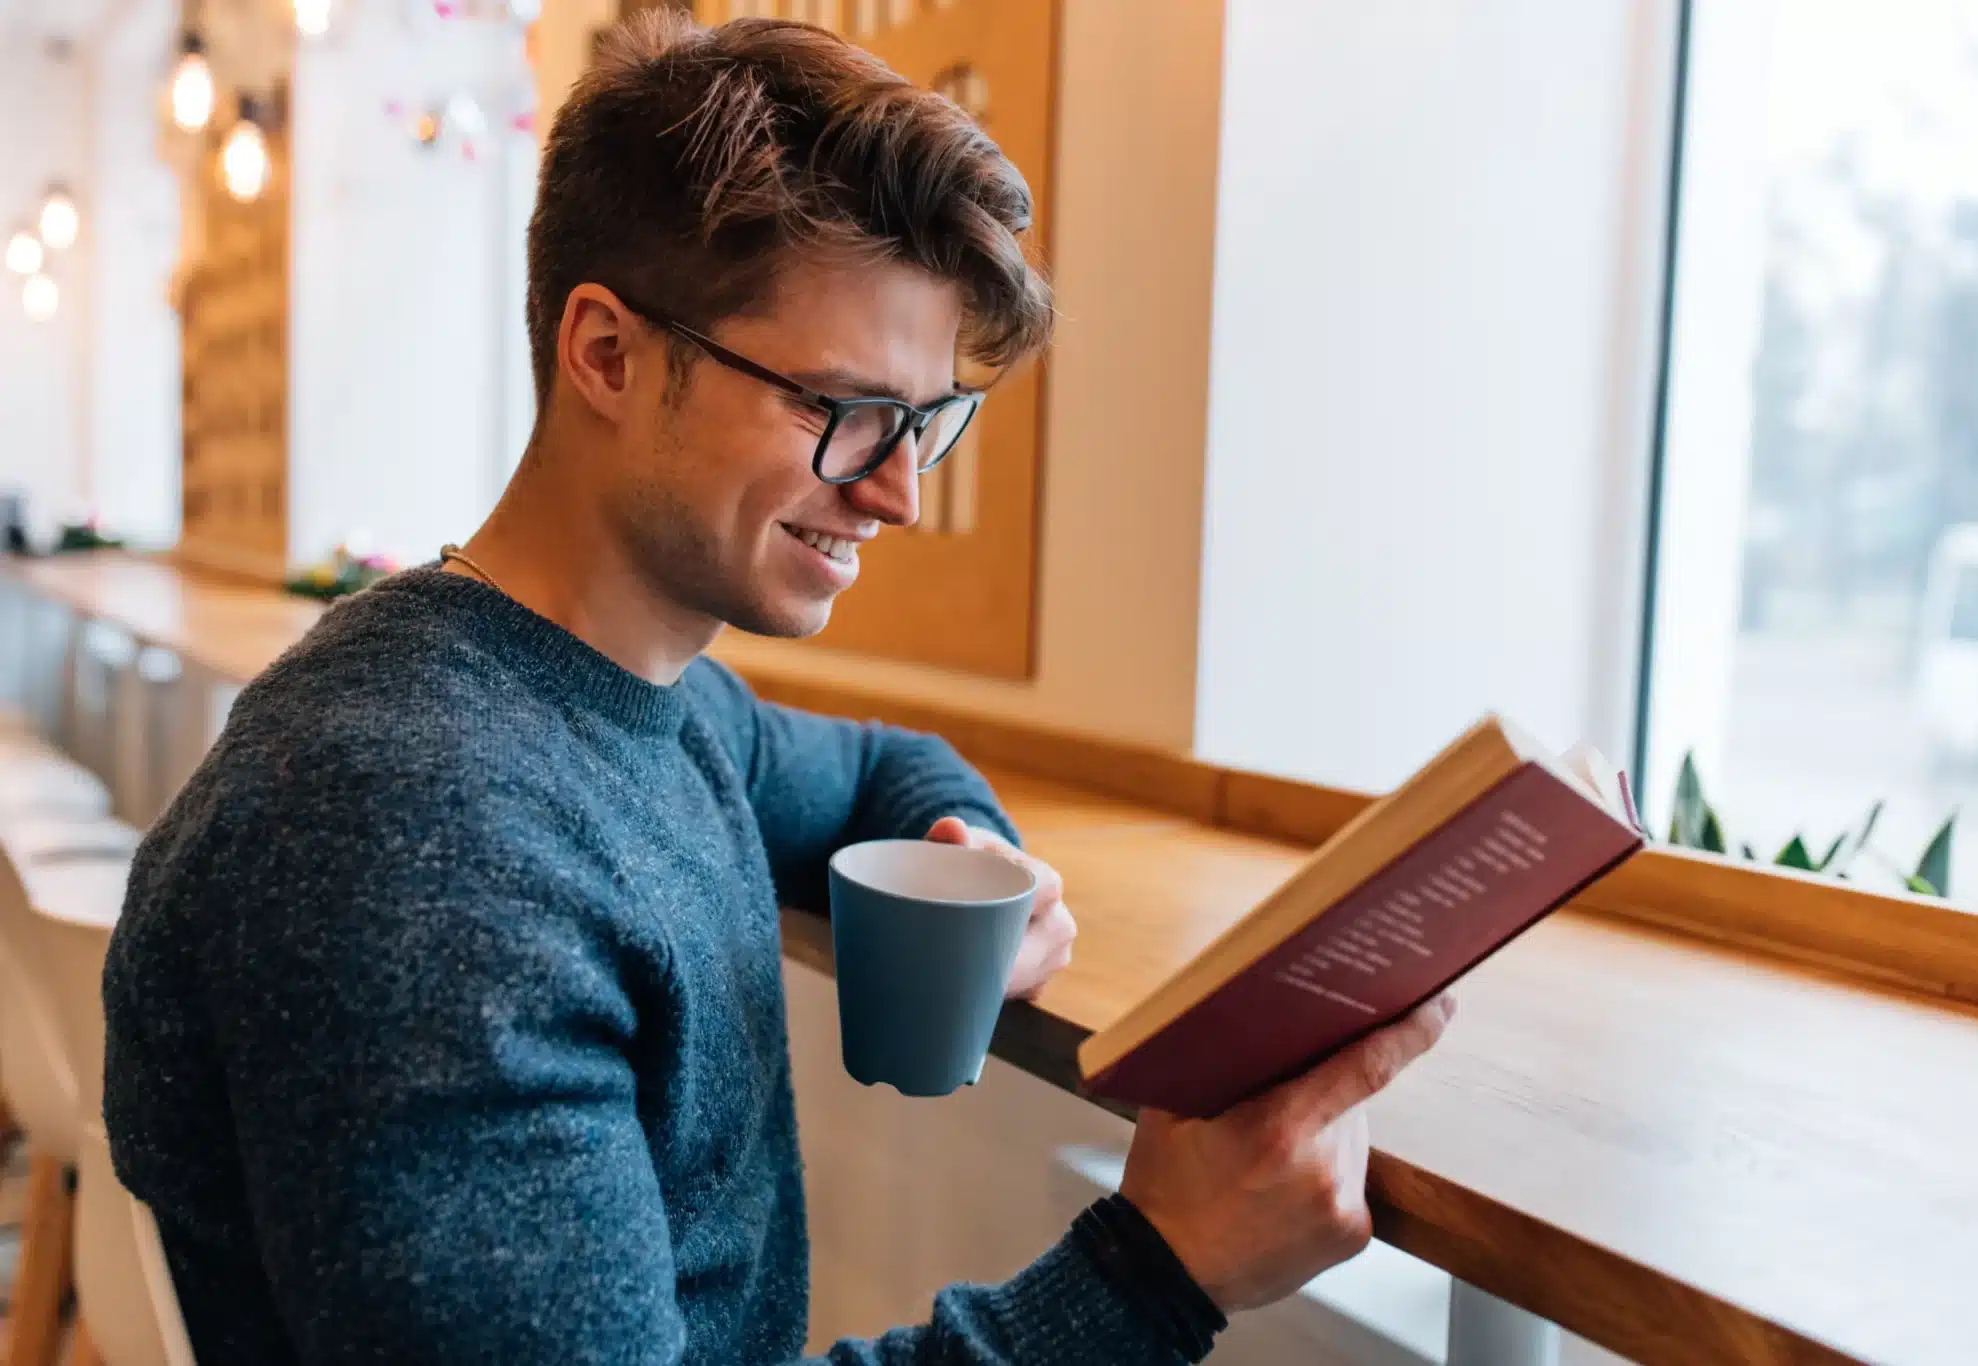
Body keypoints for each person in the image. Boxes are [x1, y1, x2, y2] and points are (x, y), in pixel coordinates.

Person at [103, 13, 1454, 1364]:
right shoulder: (415, 841)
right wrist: (1158, 1268)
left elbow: (878, 767)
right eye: (844, 410)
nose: (898, 493)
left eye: (922, 420)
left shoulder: (648, 696)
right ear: (607, 355)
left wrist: (971, 853)